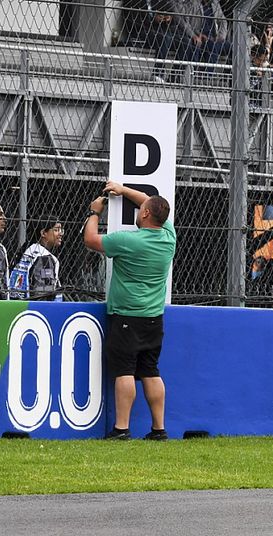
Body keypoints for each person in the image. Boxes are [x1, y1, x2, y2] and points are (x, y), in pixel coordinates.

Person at [82, 181, 177, 441]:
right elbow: (147, 198)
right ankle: (159, 429)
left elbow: (90, 239)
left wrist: (94, 212)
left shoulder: (128, 240)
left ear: (145, 214)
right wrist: (123, 190)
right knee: (150, 371)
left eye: (142, 207)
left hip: (127, 316)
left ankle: (122, 428)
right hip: (154, 318)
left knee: (124, 370)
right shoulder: (168, 237)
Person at [9, 217, 64, 300]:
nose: (61, 234)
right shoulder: (44, 257)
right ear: (43, 233)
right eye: (56, 230)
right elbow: (44, 294)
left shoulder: (28, 250)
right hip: (38, 306)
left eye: (61, 230)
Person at [172, 0, 230, 65]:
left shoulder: (215, 3)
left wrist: (221, 36)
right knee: (210, 46)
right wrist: (198, 34)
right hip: (200, 36)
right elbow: (188, 22)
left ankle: (230, 70)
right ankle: (203, 71)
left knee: (232, 48)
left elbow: (223, 21)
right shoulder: (193, 3)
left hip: (214, 38)